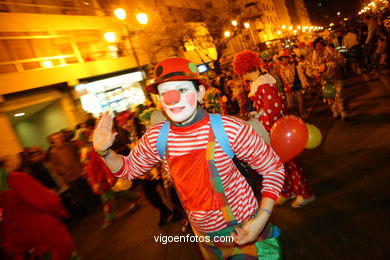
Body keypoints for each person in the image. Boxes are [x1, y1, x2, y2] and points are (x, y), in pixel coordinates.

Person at [93, 57, 285, 259]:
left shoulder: (230, 129)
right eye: (164, 93)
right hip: (208, 241)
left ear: (200, 92)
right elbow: (128, 169)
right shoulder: (157, 137)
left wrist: (261, 219)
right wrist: (105, 152)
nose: (172, 98)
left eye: (182, 90)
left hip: (247, 230)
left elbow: (273, 168)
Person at [233, 49, 315, 208]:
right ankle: (287, 191)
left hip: (276, 131)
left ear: (244, 70)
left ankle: (305, 193)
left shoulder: (263, 84)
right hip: (272, 129)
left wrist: (261, 124)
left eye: (240, 73)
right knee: (278, 164)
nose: (241, 77)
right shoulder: (260, 83)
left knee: (290, 163)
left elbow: (273, 110)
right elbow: (265, 108)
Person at [0, 154, 76, 260]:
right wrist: (59, 210)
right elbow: (46, 201)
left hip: (15, 240)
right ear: (5, 162)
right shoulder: (15, 178)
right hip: (40, 232)